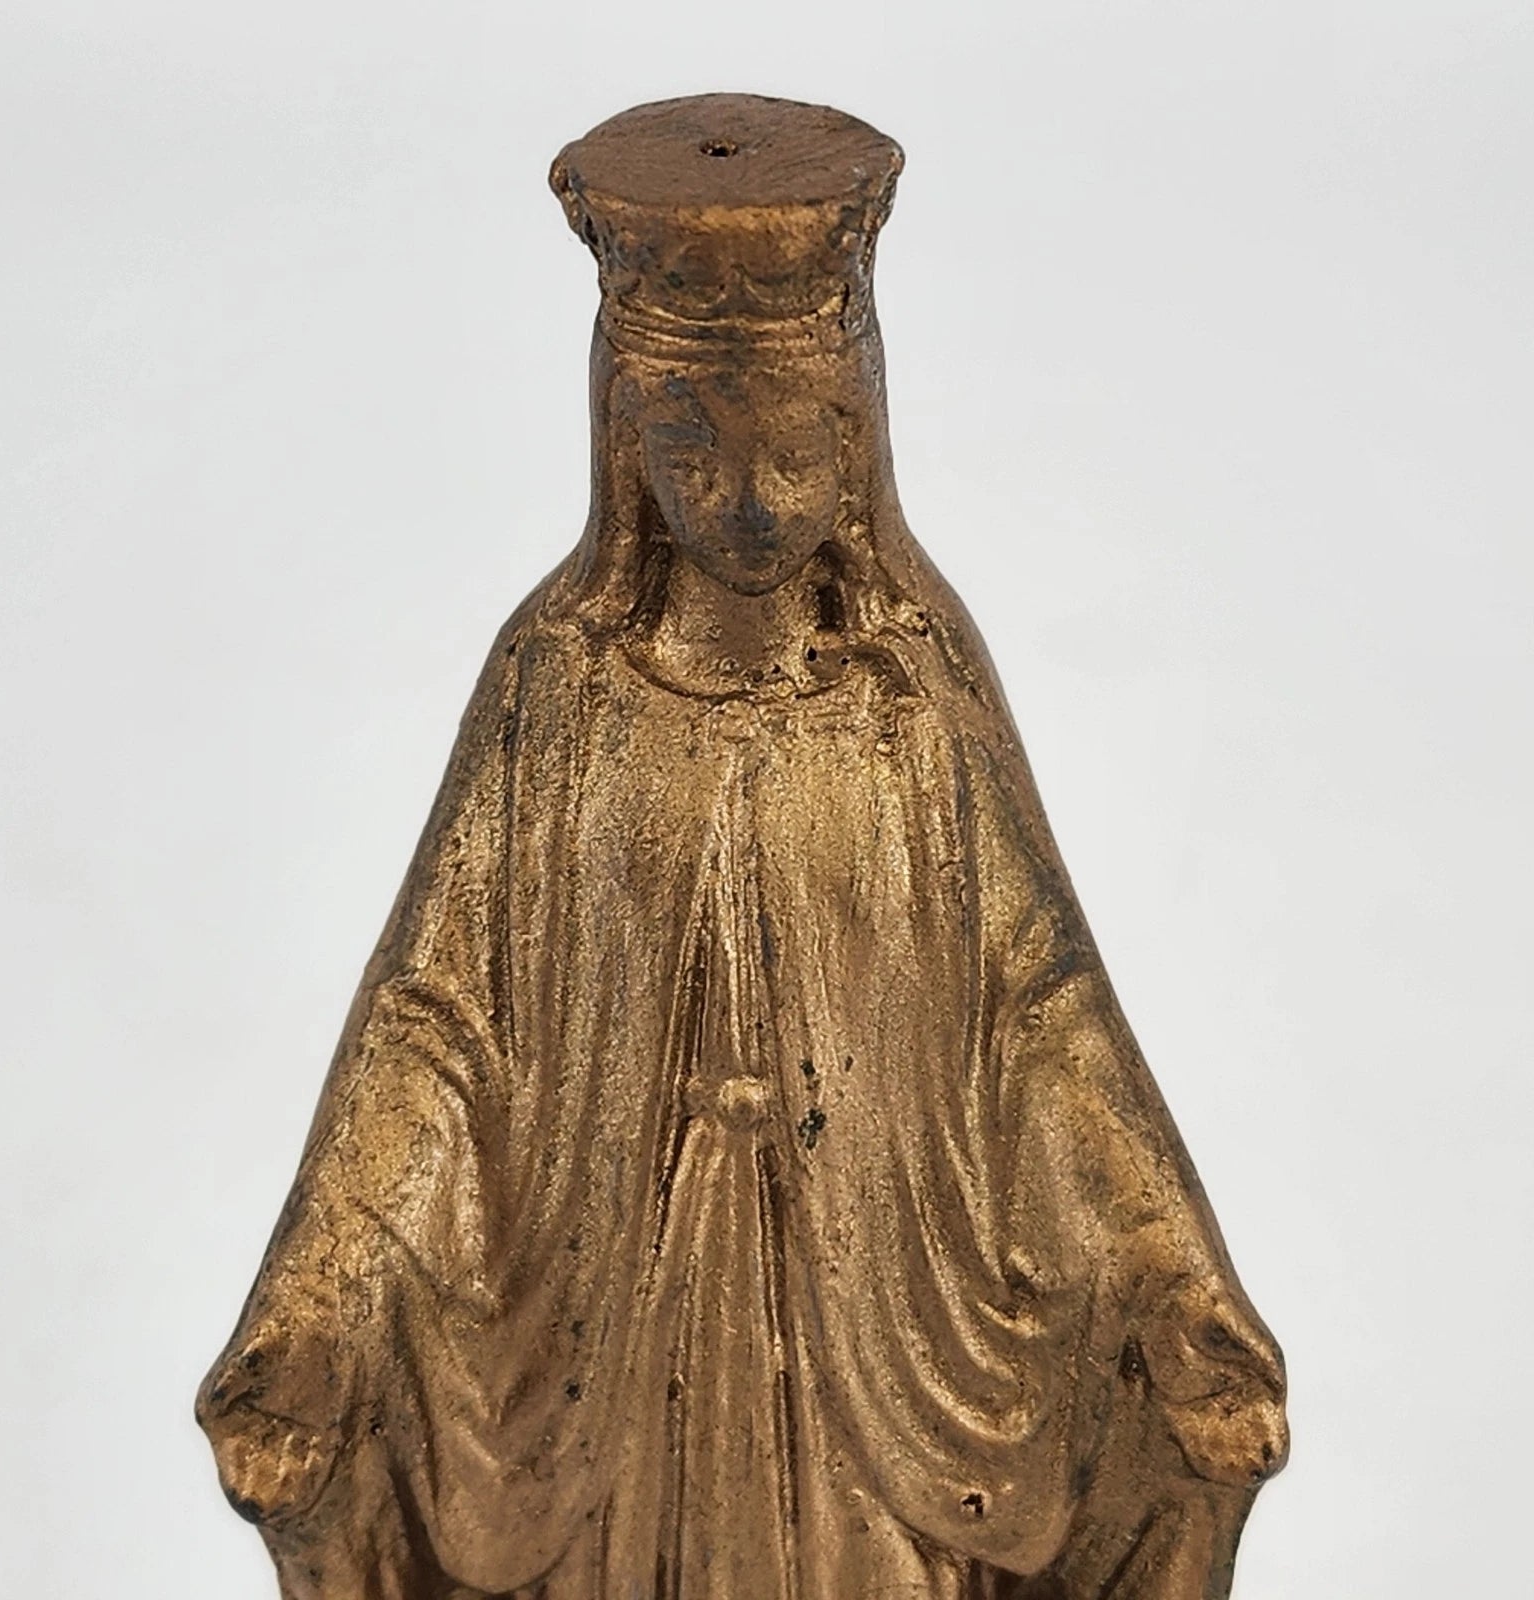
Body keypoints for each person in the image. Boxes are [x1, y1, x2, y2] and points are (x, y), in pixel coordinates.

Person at [198, 94, 1287, 1600]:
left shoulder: (911, 695)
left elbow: (1039, 1021)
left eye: (793, 452)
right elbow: (438, 1027)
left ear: (858, 439)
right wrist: (317, 1307)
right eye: (693, 453)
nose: (752, 501)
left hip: (884, 1342)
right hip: (606, 1335)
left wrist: (1173, 1282)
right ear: (625, 446)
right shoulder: (559, 690)